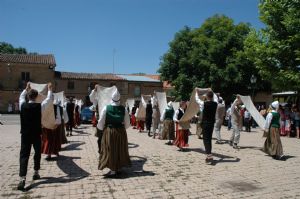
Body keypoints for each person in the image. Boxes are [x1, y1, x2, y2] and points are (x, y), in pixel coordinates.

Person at [17, 82, 53, 191]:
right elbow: (48, 100)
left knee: (24, 155)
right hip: (37, 134)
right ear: (37, 97)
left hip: (25, 134)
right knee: (37, 153)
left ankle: (22, 178)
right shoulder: (40, 106)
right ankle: (36, 172)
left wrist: (26, 88)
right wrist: (50, 89)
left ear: (28, 96)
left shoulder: (22, 105)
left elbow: (21, 97)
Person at [97, 89, 131, 178]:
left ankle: (112, 171)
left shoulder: (106, 108)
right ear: (119, 99)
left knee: (110, 149)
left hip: (109, 131)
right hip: (120, 131)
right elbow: (127, 124)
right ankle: (118, 168)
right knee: (120, 149)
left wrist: (101, 129)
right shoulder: (124, 109)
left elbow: (100, 122)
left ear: (111, 98)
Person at [196, 91, 217, 163]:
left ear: (207, 97)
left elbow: (197, 99)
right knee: (209, 139)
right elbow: (216, 98)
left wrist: (196, 92)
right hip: (211, 123)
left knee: (206, 139)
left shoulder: (204, 104)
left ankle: (209, 155)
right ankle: (209, 154)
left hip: (205, 123)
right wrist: (211, 90)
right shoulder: (215, 103)